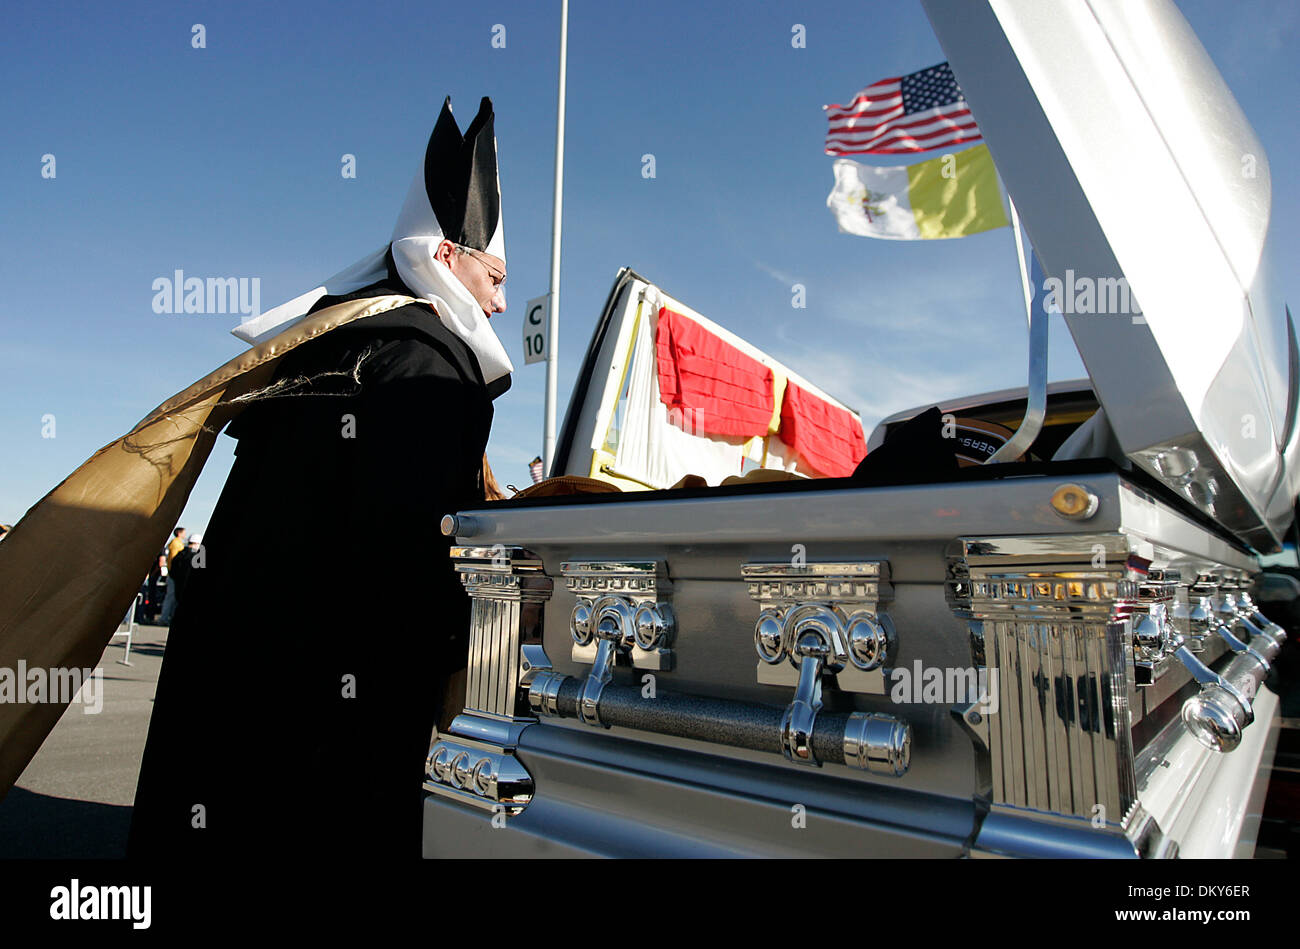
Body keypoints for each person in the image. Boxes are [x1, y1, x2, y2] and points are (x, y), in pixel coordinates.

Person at [128, 96, 513, 860]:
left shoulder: (322, 347)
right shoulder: (430, 363)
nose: (500, 301)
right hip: (330, 727)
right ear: (444, 257)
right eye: (495, 275)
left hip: (228, 693)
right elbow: (405, 570)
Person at [158, 527, 186, 625]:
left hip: (174, 574)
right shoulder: (176, 543)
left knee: (173, 597)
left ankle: (167, 617)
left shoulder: (178, 543)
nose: (185, 534)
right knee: (170, 596)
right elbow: (174, 560)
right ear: (179, 533)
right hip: (174, 575)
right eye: (183, 532)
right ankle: (164, 618)